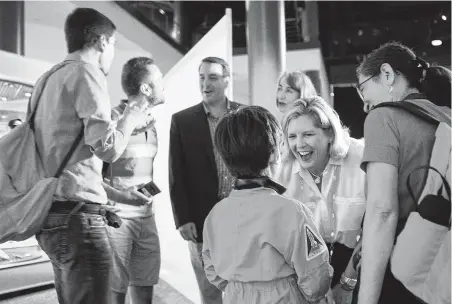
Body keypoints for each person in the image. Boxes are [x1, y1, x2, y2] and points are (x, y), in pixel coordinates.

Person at [29, 8, 150, 304]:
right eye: (113, 45)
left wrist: (120, 196)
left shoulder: (47, 79)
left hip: (49, 213)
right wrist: (130, 118)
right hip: (77, 222)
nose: (112, 53)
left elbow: (67, 162)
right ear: (101, 41)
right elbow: (107, 147)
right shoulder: (86, 73)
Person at [202, 105, 333, 304]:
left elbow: (212, 271)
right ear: (273, 153)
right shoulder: (292, 212)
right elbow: (316, 280)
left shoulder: (215, 215)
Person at [355, 42, 451, 304]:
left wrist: (366, 299)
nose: (365, 104)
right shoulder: (447, 117)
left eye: (363, 88)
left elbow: (383, 211)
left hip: (404, 265)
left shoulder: (384, 117)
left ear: (386, 74)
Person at [276, 96, 366, 304]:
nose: (299, 145)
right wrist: (315, 288)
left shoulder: (361, 158)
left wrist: (347, 283)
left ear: (329, 134)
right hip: (306, 269)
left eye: (308, 134)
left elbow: (375, 227)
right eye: (292, 137)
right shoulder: (283, 171)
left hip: (358, 262)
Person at [169, 57, 242, 304]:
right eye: (201, 77)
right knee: (210, 292)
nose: (205, 83)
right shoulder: (182, 121)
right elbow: (176, 174)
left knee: (243, 287)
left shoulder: (244, 115)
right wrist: (183, 218)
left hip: (241, 217)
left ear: (226, 80)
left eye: (212, 77)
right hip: (200, 221)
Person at [104, 57, 164, 304]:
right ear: (146, 88)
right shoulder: (111, 119)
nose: (163, 85)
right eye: (159, 80)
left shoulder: (151, 122)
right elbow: (91, 176)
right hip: (116, 221)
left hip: (146, 219)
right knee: (114, 294)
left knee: (144, 291)